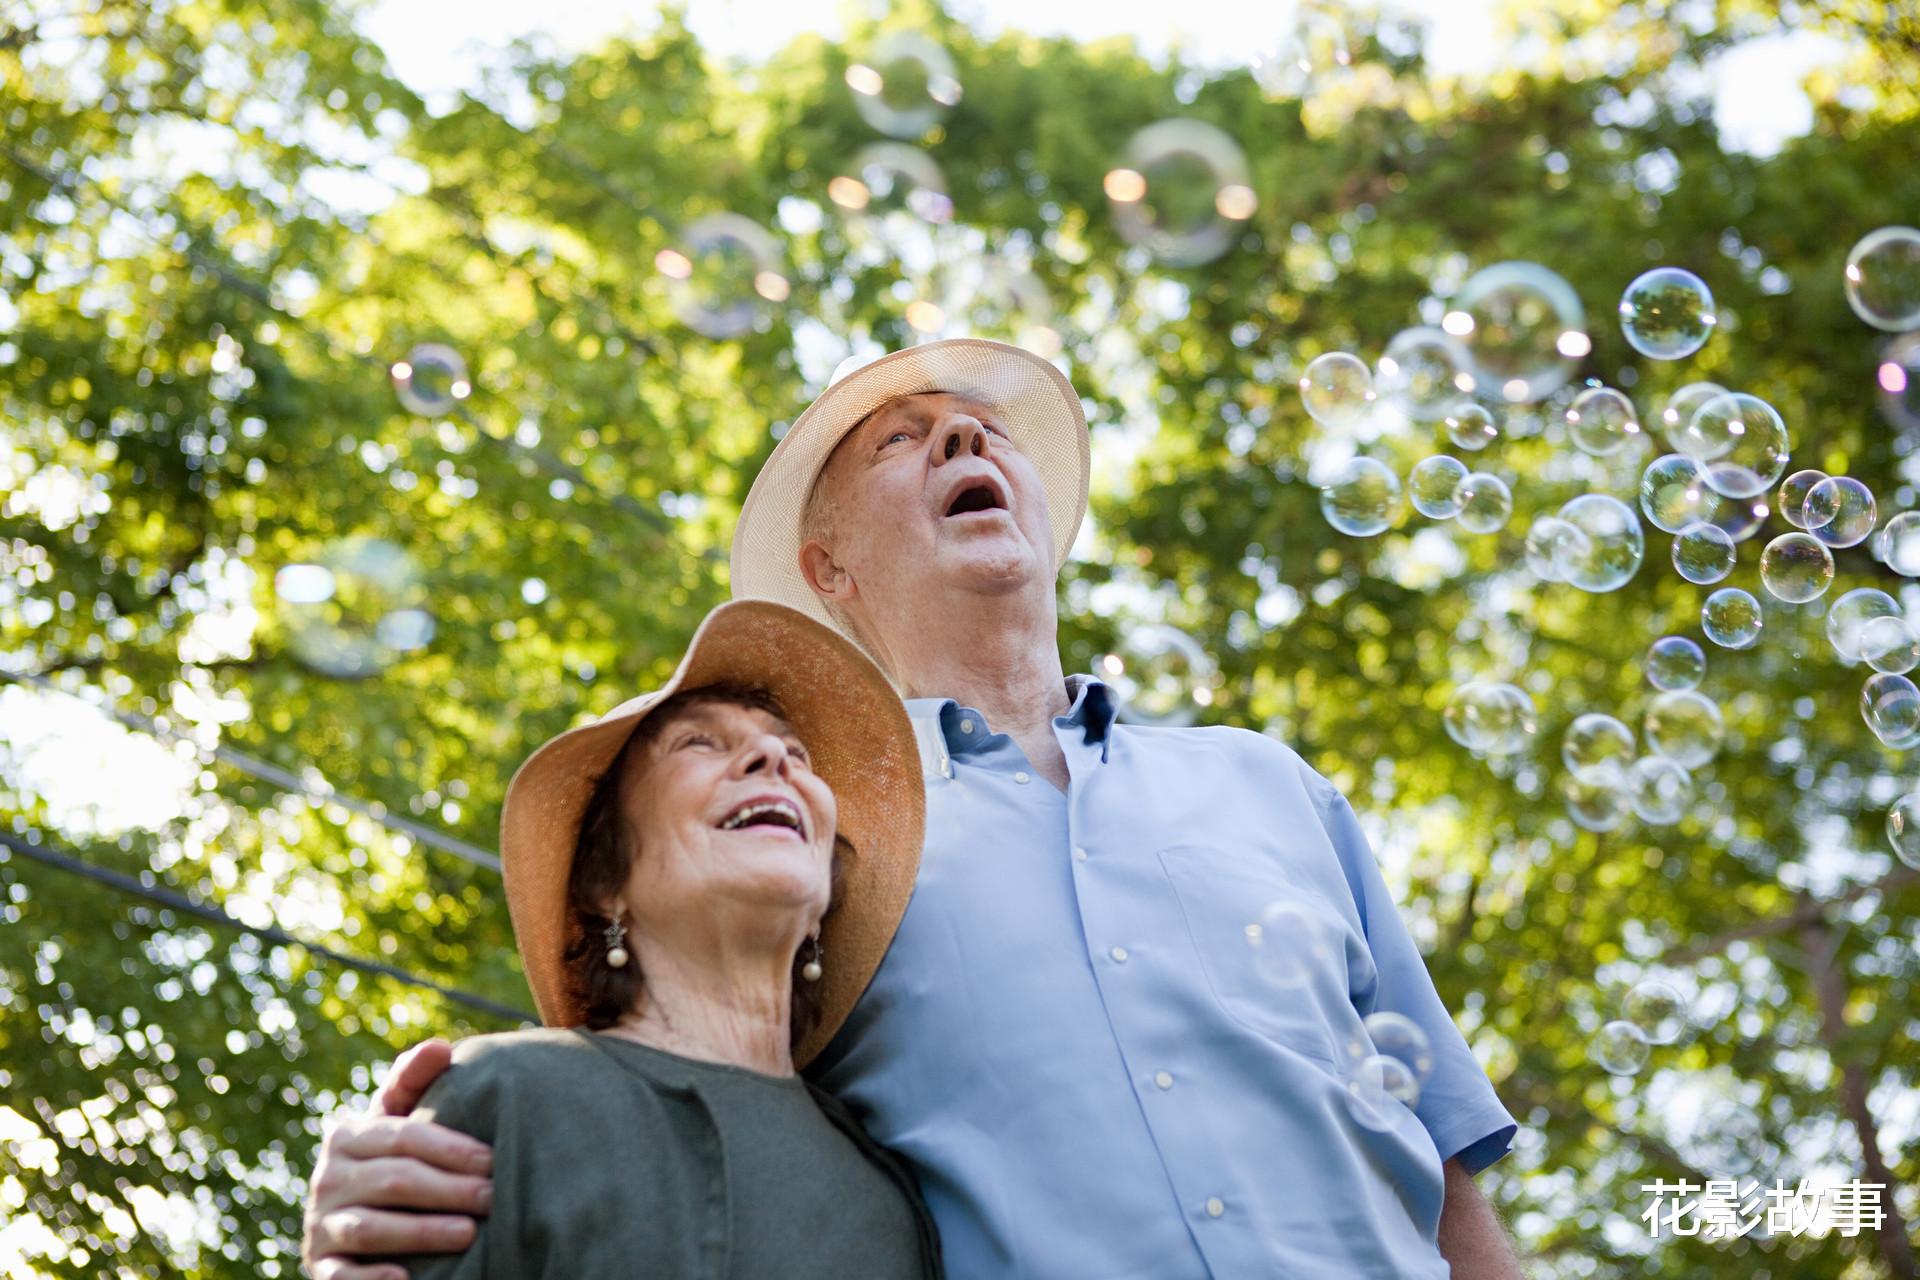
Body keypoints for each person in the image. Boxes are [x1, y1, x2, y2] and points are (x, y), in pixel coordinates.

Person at [305, 338, 1527, 1279]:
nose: (961, 444)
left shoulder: (1270, 783)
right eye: (904, 441)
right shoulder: (821, 852)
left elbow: (1445, 1166)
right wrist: (448, 1155)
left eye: (986, 431)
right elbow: (702, 1090)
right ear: (828, 567)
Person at [354, 599, 940, 1279]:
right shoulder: (501, 1099)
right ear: (604, 881)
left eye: (796, 751)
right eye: (699, 741)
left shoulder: (887, 1200)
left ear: (821, 911)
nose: (772, 755)